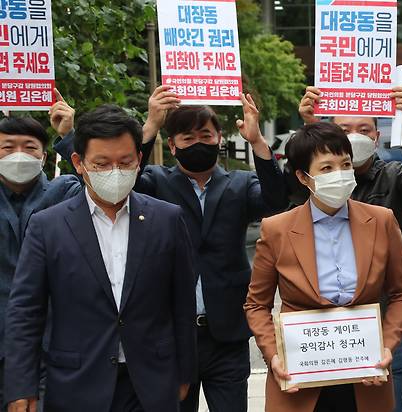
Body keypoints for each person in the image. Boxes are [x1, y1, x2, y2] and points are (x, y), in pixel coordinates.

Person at [53, 86, 289, 412]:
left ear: (219, 139)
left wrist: (257, 141)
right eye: (187, 138)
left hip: (227, 334)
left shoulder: (240, 183)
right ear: (173, 146)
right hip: (171, 333)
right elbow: (111, 181)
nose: (198, 143)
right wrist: (150, 124)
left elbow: (277, 201)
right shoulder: (156, 182)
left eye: (205, 135)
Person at [4, 105, 197, 412]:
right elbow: (26, 311)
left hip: (151, 383)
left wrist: (186, 370)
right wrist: (20, 385)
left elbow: (182, 302)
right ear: (79, 163)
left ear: (138, 160)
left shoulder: (167, 219)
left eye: (125, 162)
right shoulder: (47, 226)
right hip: (76, 383)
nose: (115, 172)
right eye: (102, 164)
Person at [244, 122, 402, 412]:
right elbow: (256, 305)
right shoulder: (277, 230)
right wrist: (274, 355)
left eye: (345, 164)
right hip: (300, 377)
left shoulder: (382, 221)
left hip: (365, 376)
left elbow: (401, 295)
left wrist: (386, 345)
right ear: (303, 177)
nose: (340, 174)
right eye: (326, 168)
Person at [299, 85, 402, 412]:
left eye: (363, 130)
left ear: (377, 137)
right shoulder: (313, 181)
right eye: (343, 130)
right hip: (323, 327)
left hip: (383, 324)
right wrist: (308, 129)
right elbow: (285, 193)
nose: (354, 136)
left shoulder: (394, 176)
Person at [0, 112, 81, 410]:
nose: (19, 155)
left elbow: (103, 192)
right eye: (8, 147)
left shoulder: (65, 192)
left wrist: (69, 135)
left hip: (55, 344)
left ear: (44, 156)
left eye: (30, 147)